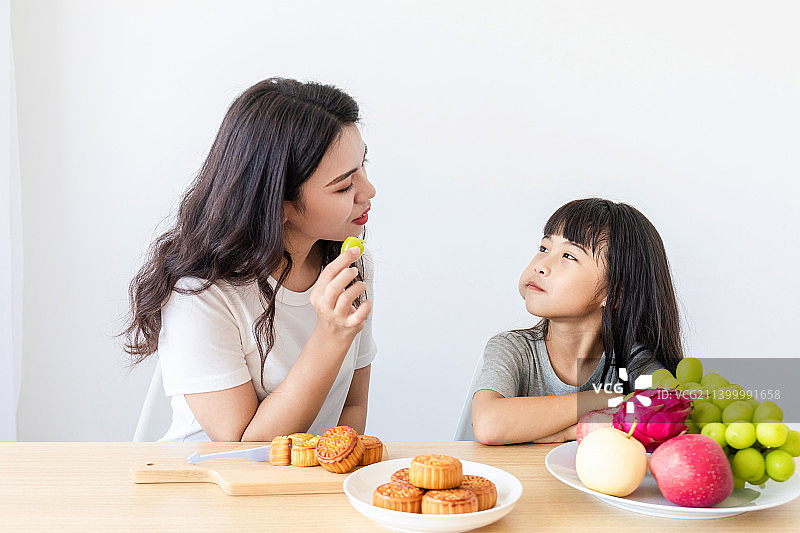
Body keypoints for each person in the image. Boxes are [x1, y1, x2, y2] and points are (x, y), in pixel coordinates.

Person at [122, 77, 377, 442]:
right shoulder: (200, 293)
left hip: (303, 475)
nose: (369, 190)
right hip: (210, 473)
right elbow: (242, 447)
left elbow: (350, 408)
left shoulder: (349, 266)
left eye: (363, 164)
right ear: (279, 204)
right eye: (344, 185)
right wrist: (331, 335)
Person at [471, 198, 683, 445]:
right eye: (544, 248)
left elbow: (670, 421)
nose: (540, 265)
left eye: (568, 255)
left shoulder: (634, 361)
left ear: (615, 294)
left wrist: (566, 432)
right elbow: (488, 424)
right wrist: (599, 400)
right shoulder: (512, 348)